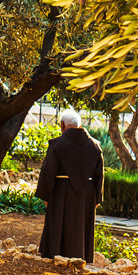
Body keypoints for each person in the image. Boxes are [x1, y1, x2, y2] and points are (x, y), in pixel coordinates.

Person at [36, 110, 104, 262]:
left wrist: (46, 195)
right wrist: (97, 198)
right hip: (86, 194)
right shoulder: (95, 146)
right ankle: (80, 256)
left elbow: (48, 171)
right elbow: (100, 174)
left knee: (59, 221)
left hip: (61, 191)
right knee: (80, 224)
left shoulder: (57, 145)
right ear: (79, 125)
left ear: (62, 125)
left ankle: (56, 253)